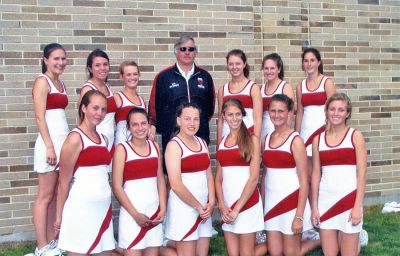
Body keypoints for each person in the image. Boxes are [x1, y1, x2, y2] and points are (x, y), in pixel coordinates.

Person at [56, 90, 115, 255]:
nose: (100, 113)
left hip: (103, 207)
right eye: (95, 108)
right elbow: (63, 182)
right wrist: (59, 217)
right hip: (81, 207)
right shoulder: (74, 138)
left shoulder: (104, 138)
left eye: (103, 109)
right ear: (83, 108)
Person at [311, 93, 367, 256]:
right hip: (326, 201)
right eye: (332, 109)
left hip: (349, 200)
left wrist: (357, 207)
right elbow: (315, 174)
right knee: (331, 253)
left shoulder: (355, 136)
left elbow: (362, 173)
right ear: (326, 111)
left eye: (341, 110)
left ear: (348, 113)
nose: (336, 113)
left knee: (347, 253)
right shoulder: (318, 140)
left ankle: (357, 238)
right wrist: (315, 207)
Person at [262, 94, 312, 256]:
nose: (276, 115)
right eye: (273, 111)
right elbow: (265, 175)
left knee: (292, 253)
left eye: (281, 111)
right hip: (271, 202)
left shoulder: (295, 140)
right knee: (275, 252)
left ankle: (318, 240)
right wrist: (263, 205)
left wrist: (299, 216)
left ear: (290, 113)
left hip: (291, 202)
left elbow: (305, 180)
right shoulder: (266, 139)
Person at [112, 108, 167, 255]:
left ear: (149, 125)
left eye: (143, 123)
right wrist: (135, 214)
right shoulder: (122, 149)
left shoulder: (155, 147)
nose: (140, 128)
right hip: (132, 215)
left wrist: (163, 208)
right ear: (128, 127)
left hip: (153, 213)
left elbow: (160, 179)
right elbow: (117, 187)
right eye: (135, 124)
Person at [148, 35, 215, 154]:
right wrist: (161, 125)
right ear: (176, 52)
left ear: (195, 52)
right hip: (172, 136)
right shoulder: (164, 77)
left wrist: (198, 121)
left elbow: (210, 108)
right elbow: (155, 107)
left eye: (191, 49)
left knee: (199, 169)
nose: (187, 52)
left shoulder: (205, 76)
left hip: (200, 135)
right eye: (183, 49)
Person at [31, 43, 68, 256]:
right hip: (48, 145)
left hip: (61, 144)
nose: (60, 63)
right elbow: (39, 116)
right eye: (56, 59)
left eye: (63, 59)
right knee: (44, 195)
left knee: (55, 195)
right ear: (45, 59)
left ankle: (52, 241)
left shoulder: (60, 83)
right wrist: (50, 146)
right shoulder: (42, 82)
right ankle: (41, 246)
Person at [164, 103, 215, 256]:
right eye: (187, 119)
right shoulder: (174, 145)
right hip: (184, 208)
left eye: (196, 119)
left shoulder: (202, 142)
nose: (192, 124)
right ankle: (158, 247)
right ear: (178, 120)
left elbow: (209, 176)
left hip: (203, 209)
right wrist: (198, 207)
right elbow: (175, 184)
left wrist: (211, 202)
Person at [215, 98, 264, 256]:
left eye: (237, 114)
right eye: (230, 114)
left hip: (246, 203)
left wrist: (237, 209)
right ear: (223, 116)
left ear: (243, 115)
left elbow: (254, 178)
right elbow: (218, 178)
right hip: (228, 204)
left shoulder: (252, 140)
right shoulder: (222, 142)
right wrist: (221, 204)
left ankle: (269, 243)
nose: (234, 118)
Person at [295, 48, 336, 178]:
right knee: (308, 173)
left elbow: (333, 111)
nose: (309, 64)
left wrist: (330, 132)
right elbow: (300, 113)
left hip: (324, 131)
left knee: (324, 172)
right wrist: (296, 136)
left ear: (319, 62)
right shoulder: (300, 86)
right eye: (306, 61)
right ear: (303, 64)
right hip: (306, 134)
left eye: (312, 60)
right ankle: (312, 199)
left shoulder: (327, 82)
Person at [79, 49, 117, 152]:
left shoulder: (107, 87)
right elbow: (82, 118)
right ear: (90, 68)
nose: (102, 68)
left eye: (105, 64)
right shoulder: (88, 89)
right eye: (97, 65)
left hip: (110, 139)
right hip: (96, 140)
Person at [114, 61, 155, 146]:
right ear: (122, 77)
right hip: (122, 146)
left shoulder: (142, 100)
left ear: (139, 76)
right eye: (128, 74)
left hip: (139, 147)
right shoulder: (117, 98)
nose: (132, 77)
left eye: (135, 74)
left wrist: (151, 127)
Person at [260, 53, 294, 140]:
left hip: (279, 133)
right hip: (263, 133)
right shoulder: (260, 88)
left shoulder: (285, 87)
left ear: (279, 69)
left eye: (272, 68)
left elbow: (289, 114)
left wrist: (283, 137)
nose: (269, 71)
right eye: (266, 68)